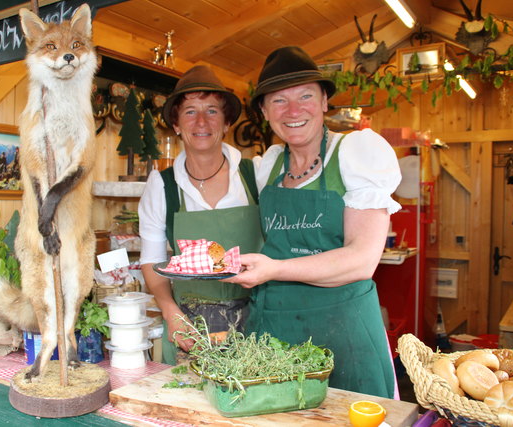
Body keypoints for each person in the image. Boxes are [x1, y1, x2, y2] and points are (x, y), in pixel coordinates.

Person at [223, 46, 402, 399]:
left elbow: (362, 260)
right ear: (263, 111)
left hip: (344, 332)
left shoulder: (355, 155)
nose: (293, 111)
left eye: (306, 96)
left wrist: (272, 270)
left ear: (324, 102)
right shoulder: (268, 167)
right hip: (275, 330)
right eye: (278, 101)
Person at [139, 65, 263, 365]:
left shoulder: (256, 174)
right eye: (190, 112)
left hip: (258, 326)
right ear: (177, 125)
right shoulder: (161, 185)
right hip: (190, 329)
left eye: (212, 111)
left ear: (226, 123)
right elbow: (152, 263)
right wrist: (171, 312)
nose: (202, 121)